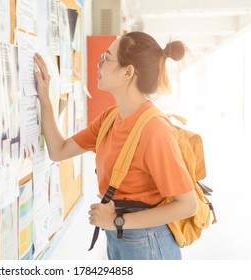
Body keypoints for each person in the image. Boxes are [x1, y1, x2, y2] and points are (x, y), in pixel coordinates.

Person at [33, 31, 198, 260]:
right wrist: (44, 98)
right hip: (120, 237)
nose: (98, 63)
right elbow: (58, 150)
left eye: (106, 57)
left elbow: (188, 205)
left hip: (148, 244)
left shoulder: (155, 130)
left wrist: (117, 221)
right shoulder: (110, 118)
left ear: (128, 72)